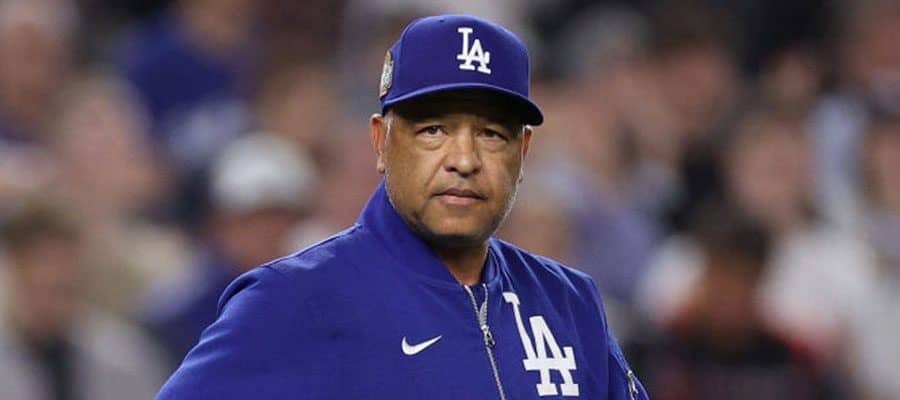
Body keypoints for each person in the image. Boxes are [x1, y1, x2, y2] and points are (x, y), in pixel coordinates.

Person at [156, 14, 649, 399]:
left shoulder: (568, 303)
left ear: (522, 153)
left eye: (491, 134)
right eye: (433, 130)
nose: (464, 160)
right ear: (381, 142)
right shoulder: (294, 300)